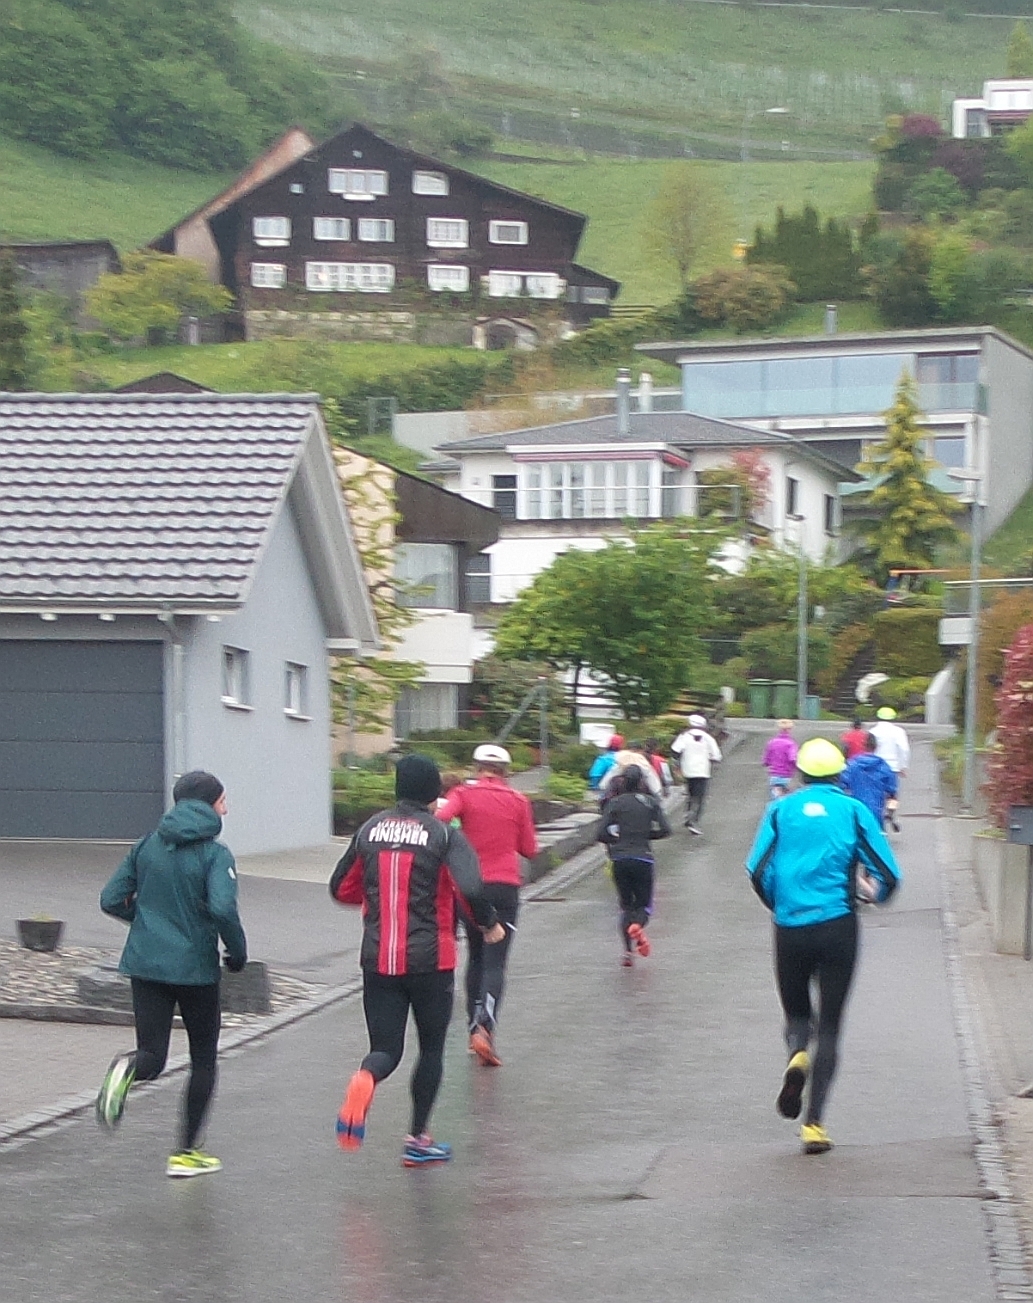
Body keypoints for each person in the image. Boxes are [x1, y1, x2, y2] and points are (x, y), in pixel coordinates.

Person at [330, 755, 504, 1166]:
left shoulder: (369, 830)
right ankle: (418, 1140)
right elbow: (471, 887)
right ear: (433, 793)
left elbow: (340, 888)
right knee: (431, 1050)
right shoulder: (443, 835)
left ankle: (366, 1077)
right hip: (431, 960)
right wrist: (489, 925)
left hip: (377, 960)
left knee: (386, 1048)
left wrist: (371, 897)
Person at [745, 738, 901, 1156]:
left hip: (790, 929)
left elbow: (756, 868)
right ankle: (814, 1125)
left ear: (800, 773)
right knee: (830, 1025)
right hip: (838, 926)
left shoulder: (780, 809)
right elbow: (888, 871)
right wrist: (878, 897)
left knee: (798, 1015)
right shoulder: (853, 811)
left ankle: (797, 1053)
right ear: (838, 775)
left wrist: (778, 904)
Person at [95, 770, 247, 1179]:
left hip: (145, 965)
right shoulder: (216, 854)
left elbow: (111, 899)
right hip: (195, 969)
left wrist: (145, 923)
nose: (226, 808)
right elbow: (222, 909)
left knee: (152, 1055)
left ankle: (126, 1068)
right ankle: (184, 1153)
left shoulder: (147, 845)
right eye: (223, 801)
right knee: (203, 1061)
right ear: (209, 805)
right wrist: (236, 951)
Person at [435, 743, 538, 1068]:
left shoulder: (463, 795)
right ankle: (485, 1028)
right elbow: (529, 849)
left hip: (469, 887)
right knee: (496, 962)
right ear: (506, 772)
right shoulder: (519, 801)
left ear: (477, 767)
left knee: (476, 956)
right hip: (505, 886)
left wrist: (458, 845)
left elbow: (440, 821)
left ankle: (471, 1032)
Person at [598, 765, 671, 966]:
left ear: (622, 782)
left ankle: (628, 952)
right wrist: (647, 835)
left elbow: (600, 834)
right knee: (644, 906)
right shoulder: (650, 802)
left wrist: (618, 838)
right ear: (641, 782)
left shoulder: (615, 803)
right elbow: (666, 830)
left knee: (625, 906)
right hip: (643, 857)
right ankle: (638, 925)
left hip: (620, 859)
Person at [670, 714, 722, 833]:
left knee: (691, 793)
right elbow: (717, 756)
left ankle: (688, 814)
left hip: (687, 770)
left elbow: (675, 751)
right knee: (700, 797)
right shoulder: (708, 738)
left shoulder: (684, 736)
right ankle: (693, 821)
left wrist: (677, 765)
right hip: (702, 771)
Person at [842, 733, 898, 828]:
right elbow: (892, 795)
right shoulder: (884, 767)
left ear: (863, 745)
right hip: (875, 814)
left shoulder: (852, 765)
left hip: (856, 813)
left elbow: (841, 787)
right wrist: (890, 814)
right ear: (876, 746)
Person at [869, 706, 910, 831]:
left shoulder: (873, 731)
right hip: (892, 767)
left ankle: (878, 815)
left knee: (877, 793)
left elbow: (868, 748)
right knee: (892, 794)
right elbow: (904, 749)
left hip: (876, 766)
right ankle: (890, 812)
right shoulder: (898, 731)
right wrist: (903, 766)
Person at [598, 741, 664, 802]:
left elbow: (605, 783)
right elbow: (653, 783)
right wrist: (658, 796)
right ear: (640, 750)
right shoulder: (643, 762)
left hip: (619, 798)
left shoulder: (621, 760)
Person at [762, 719, 798, 799]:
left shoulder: (772, 742)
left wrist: (767, 763)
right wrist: (796, 766)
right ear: (789, 730)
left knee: (775, 798)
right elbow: (792, 758)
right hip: (786, 776)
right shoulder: (790, 744)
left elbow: (766, 759)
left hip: (774, 775)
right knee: (788, 799)